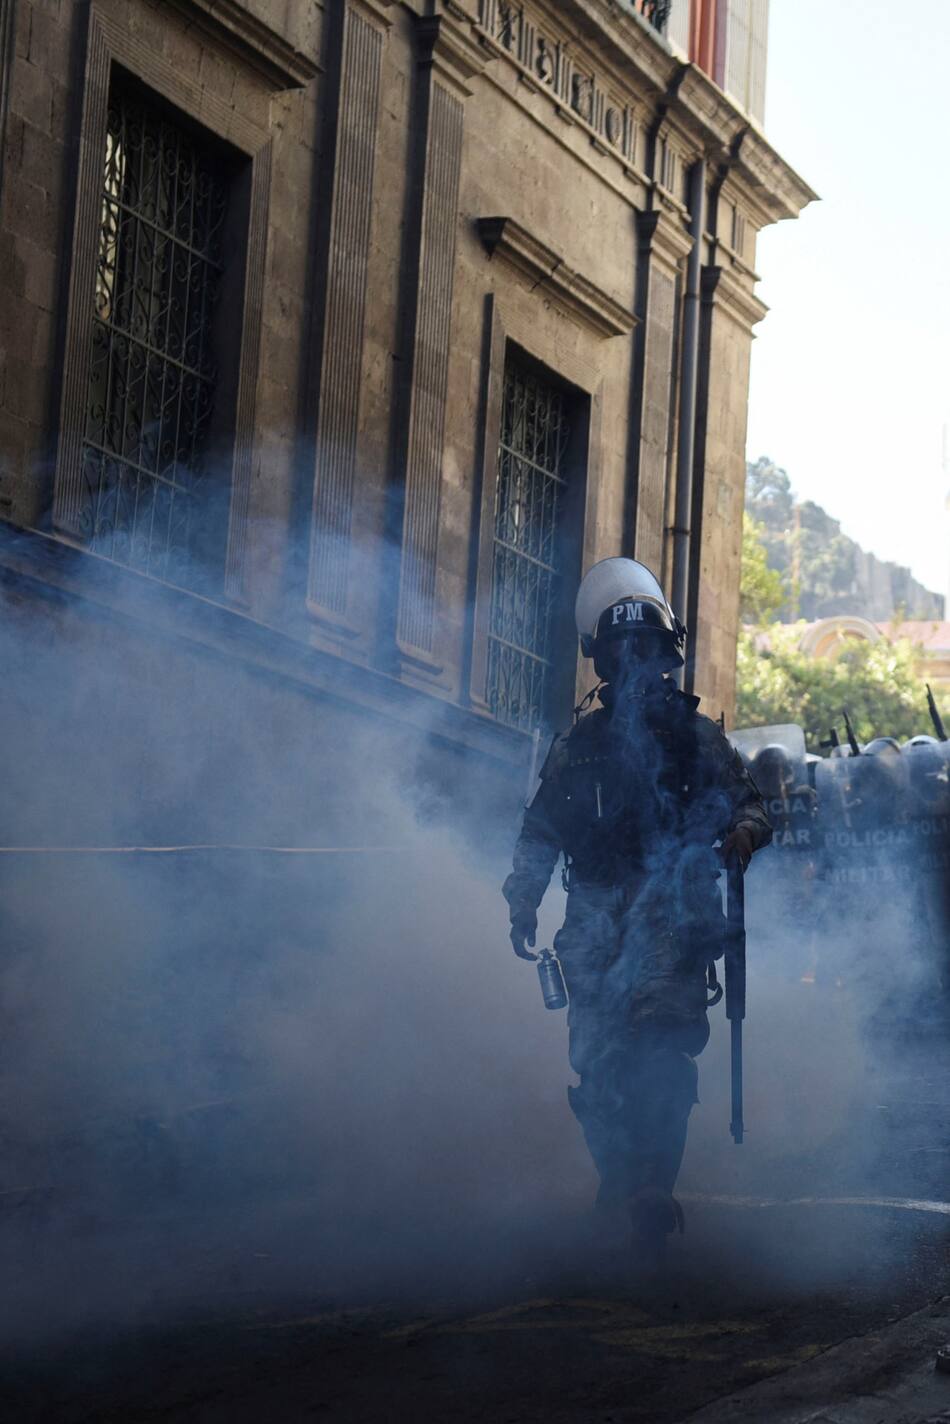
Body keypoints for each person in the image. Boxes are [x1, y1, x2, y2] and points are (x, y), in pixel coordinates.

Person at [502, 558, 771, 1262]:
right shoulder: (579, 746)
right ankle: (621, 1179)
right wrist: (521, 899)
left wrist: (741, 834)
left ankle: (651, 1183)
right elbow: (540, 831)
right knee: (598, 1063)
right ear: (605, 660)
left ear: (662, 658)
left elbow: (750, 805)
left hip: (672, 913)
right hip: (592, 916)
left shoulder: (695, 737)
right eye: (622, 655)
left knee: (662, 1045)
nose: (633, 668)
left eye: (643, 653)